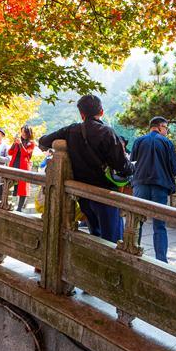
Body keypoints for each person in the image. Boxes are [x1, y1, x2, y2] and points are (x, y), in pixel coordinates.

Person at [38, 94, 133, 244]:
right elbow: (122, 166)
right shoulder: (107, 132)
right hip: (105, 195)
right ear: (101, 112)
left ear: (81, 114)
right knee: (112, 241)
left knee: (95, 236)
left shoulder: (71, 130)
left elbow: (44, 141)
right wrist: (133, 167)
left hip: (83, 194)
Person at [130, 116, 176, 262]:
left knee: (137, 222)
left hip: (140, 185)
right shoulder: (167, 143)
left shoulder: (139, 141)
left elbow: (132, 162)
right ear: (159, 127)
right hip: (160, 186)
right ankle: (161, 260)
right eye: (166, 128)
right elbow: (174, 168)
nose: (166, 131)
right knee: (159, 225)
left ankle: (133, 252)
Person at [8, 125, 36, 212]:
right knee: (12, 185)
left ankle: (19, 208)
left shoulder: (31, 143)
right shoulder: (18, 141)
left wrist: (20, 144)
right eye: (22, 132)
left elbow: (25, 154)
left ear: (29, 133)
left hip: (23, 167)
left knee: (23, 187)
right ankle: (10, 204)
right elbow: (10, 152)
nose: (23, 134)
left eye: (25, 132)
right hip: (14, 164)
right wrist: (14, 143)